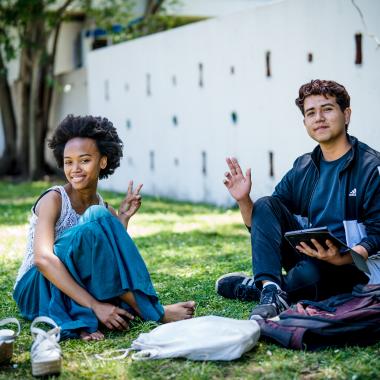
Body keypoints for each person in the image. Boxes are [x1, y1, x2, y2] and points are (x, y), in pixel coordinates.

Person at [13, 115, 195, 340]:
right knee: (97, 217)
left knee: (100, 215)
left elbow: (108, 261)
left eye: (85, 160)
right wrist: (95, 304)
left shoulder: (103, 209)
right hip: (36, 288)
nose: (75, 169)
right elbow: (42, 260)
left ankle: (91, 315)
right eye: (69, 161)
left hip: (69, 284)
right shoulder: (54, 199)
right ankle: (153, 311)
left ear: (103, 161)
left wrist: (123, 220)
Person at [216, 79, 380, 320]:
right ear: (305, 122)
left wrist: (341, 257)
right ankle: (271, 290)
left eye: (327, 109)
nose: (319, 118)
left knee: (312, 275)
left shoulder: (370, 167)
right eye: (310, 113)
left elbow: (378, 234)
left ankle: (260, 287)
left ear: (346, 115)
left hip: (354, 268)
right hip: (309, 256)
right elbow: (264, 224)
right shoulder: (303, 166)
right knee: (266, 204)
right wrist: (244, 200)